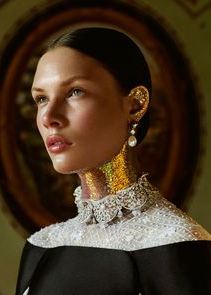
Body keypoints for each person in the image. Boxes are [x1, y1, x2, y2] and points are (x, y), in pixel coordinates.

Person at [15, 27, 211, 295]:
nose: (49, 116)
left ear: (135, 105)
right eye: (41, 98)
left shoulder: (178, 242)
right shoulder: (41, 245)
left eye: (74, 92)